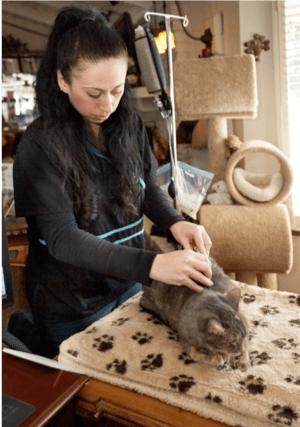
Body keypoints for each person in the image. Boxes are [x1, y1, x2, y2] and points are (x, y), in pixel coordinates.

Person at [10, 6, 212, 358]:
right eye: (93, 93)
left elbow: (147, 188)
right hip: (72, 305)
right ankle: (28, 332)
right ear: (62, 80)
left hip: (128, 286)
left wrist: (176, 222)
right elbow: (63, 239)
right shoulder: (39, 146)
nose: (107, 104)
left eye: (117, 91)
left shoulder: (129, 126)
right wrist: (152, 265)